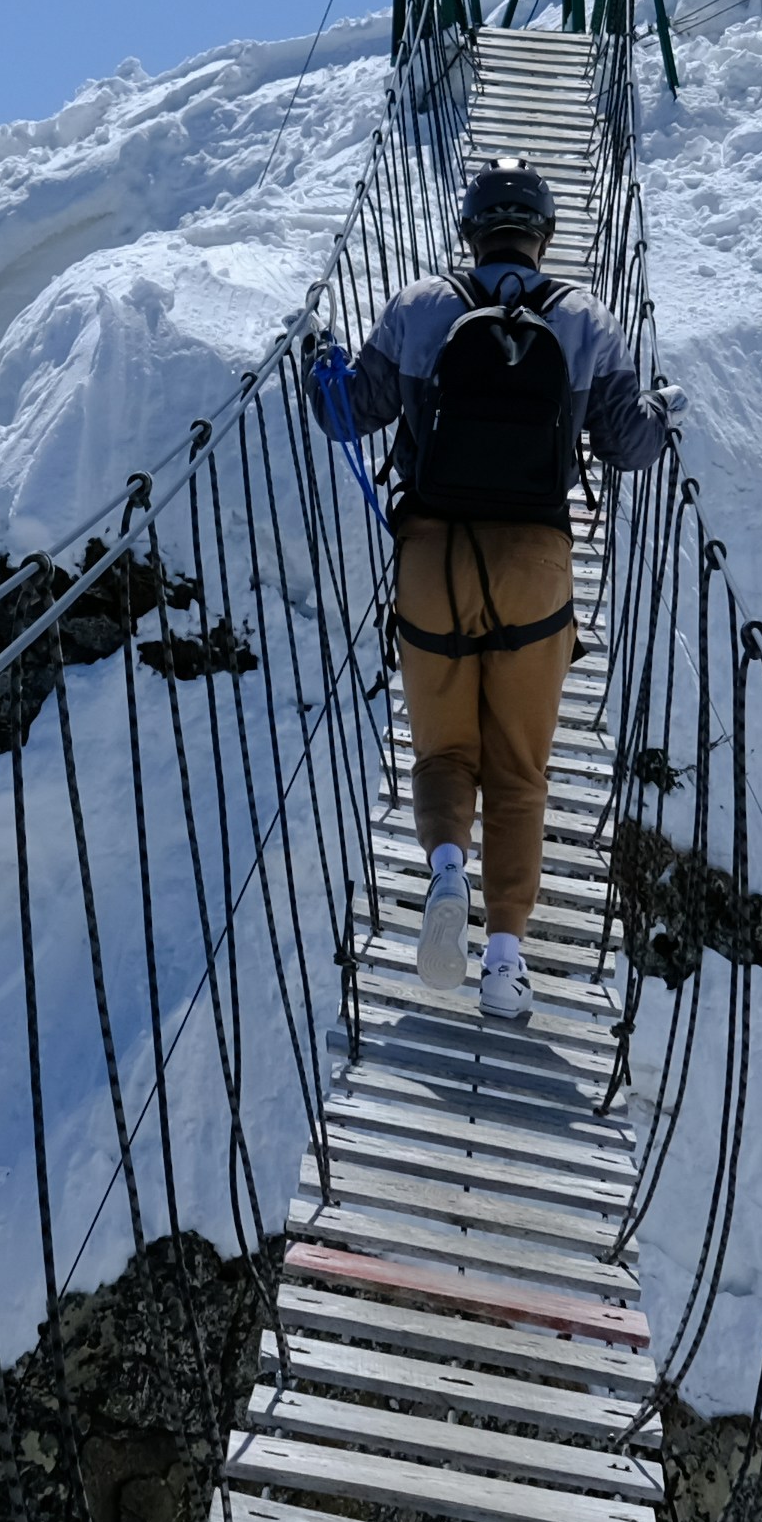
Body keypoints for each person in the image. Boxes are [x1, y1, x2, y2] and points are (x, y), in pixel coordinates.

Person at [308, 160, 666, 1018]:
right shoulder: (586, 318)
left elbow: (348, 413)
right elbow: (627, 446)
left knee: (443, 752)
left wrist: (319, 357)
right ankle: (504, 959)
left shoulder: (420, 307)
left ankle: (442, 869)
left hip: (429, 557)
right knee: (520, 769)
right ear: (542, 233)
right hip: (535, 566)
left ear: (470, 230)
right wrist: (667, 410)